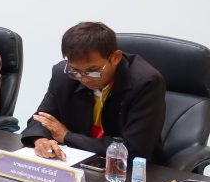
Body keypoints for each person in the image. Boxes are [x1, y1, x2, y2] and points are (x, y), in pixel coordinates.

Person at [21, 22, 166, 161]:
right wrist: (41, 140)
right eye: (75, 70)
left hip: (130, 169)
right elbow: (41, 119)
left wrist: (67, 137)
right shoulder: (64, 74)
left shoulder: (145, 83)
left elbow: (134, 148)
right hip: (76, 160)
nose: (84, 79)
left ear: (115, 58)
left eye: (93, 71)